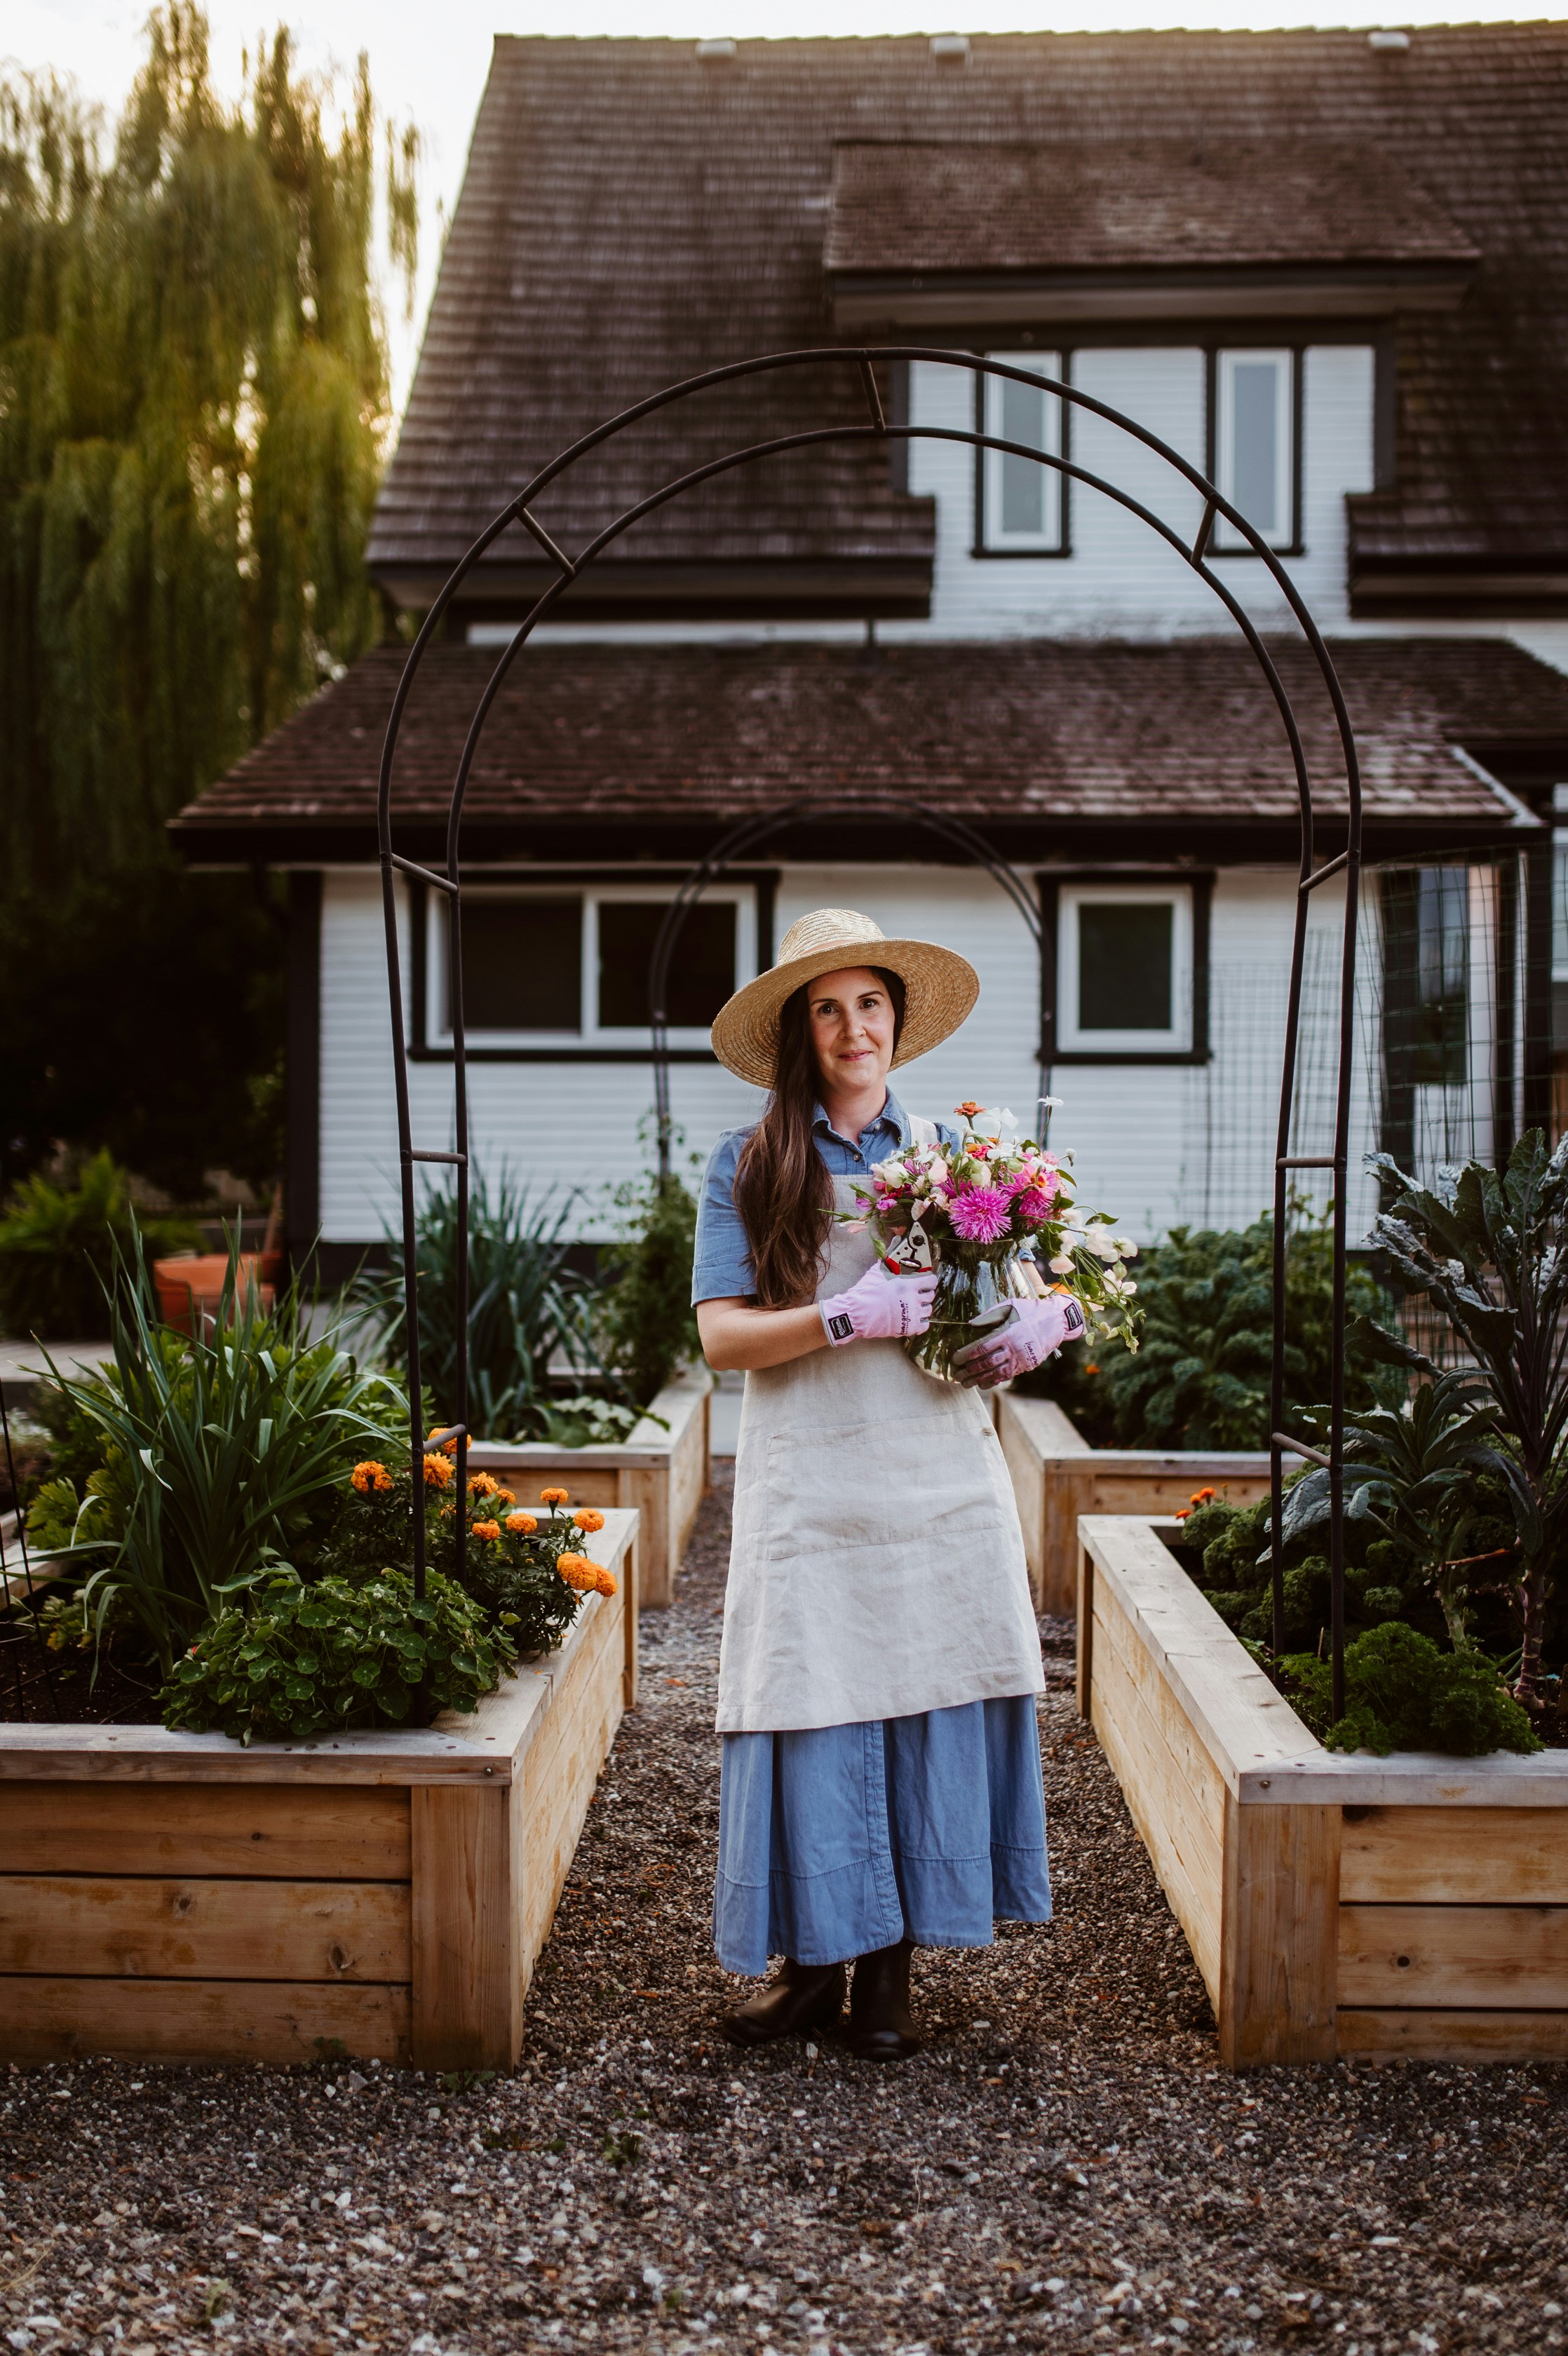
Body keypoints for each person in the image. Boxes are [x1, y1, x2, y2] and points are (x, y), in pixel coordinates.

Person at [692, 907, 1083, 2062]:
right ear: (799, 1032)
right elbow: (721, 1337)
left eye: (869, 1004)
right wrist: (843, 1315)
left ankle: (889, 1979)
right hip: (812, 1481)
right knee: (811, 1701)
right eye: (828, 1009)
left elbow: (1016, 1300)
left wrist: (1039, 1329)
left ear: (898, 1023)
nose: (852, 1027)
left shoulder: (961, 1161)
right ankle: (813, 1971)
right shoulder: (751, 1162)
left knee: (922, 1696)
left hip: (934, 1478)